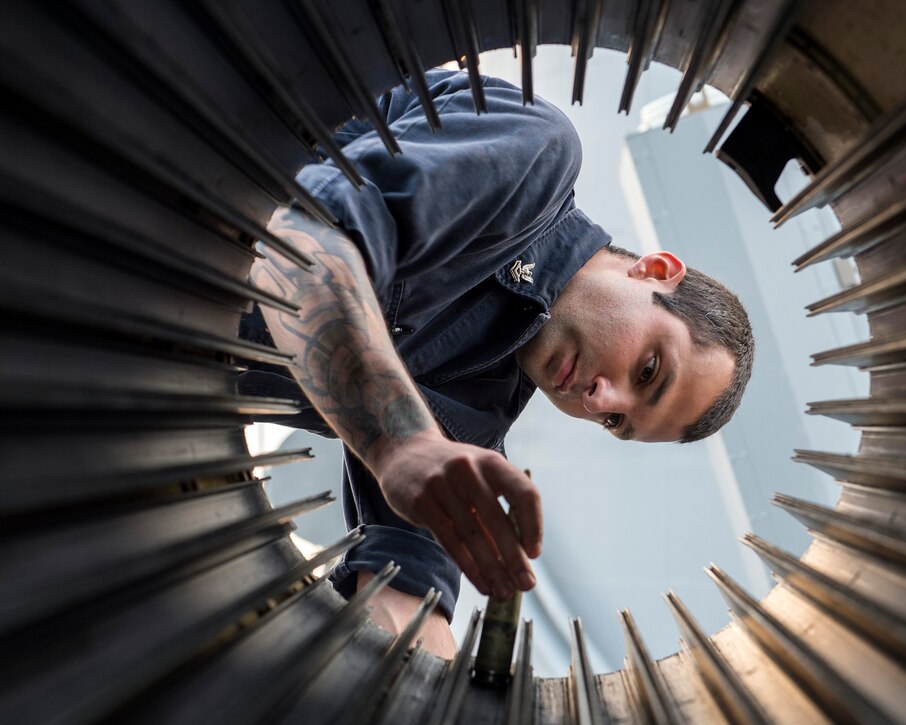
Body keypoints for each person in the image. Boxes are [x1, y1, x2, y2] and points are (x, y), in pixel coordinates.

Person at [240, 69, 754, 658]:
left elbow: (402, 591)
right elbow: (302, 238)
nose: (600, 401)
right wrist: (401, 445)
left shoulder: (474, 428)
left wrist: (429, 689)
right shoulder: (536, 153)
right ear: (655, 271)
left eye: (617, 422)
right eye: (647, 371)